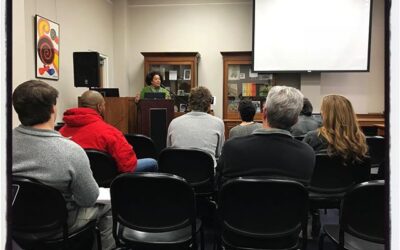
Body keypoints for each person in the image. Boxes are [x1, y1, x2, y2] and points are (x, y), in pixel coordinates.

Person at [12, 80, 114, 249]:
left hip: (14, 224)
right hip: (58, 228)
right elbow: (88, 199)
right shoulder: (71, 151)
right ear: (53, 109)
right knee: (110, 205)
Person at [217, 86, 315, 186]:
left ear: (264, 112)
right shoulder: (307, 155)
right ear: (296, 120)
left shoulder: (232, 148)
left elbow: (219, 185)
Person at [60, 90, 158, 173]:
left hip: (75, 180)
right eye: (104, 105)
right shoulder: (109, 132)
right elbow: (128, 166)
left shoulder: (61, 132)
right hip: (109, 180)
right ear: (99, 107)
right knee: (152, 162)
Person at [167, 86, 225, 165]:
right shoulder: (218, 123)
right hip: (206, 174)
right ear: (209, 104)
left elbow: (169, 151)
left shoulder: (174, 122)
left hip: (178, 173)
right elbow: (219, 153)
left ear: (190, 103)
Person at [303, 94, 368, 164]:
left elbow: (301, 162)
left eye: (322, 110)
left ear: (326, 115)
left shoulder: (313, 137)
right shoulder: (360, 139)